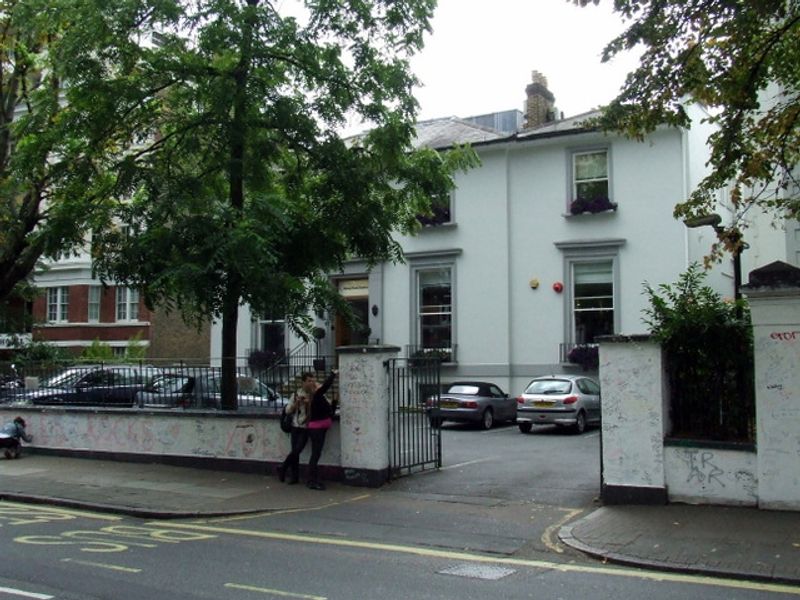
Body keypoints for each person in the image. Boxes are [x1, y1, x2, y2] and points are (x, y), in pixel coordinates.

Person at [277, 369, 337, 490]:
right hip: (297, 425)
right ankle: (293, 476)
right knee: (296, 451)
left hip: (307, 427)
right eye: (309, 381)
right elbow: (288, 410)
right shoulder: (296, 394)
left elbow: (327, 403)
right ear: (303, 382)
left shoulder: (316, 394)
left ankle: (283, 467)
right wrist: (296, 404)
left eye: (313, 380)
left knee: (298, 450)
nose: (311, 383)